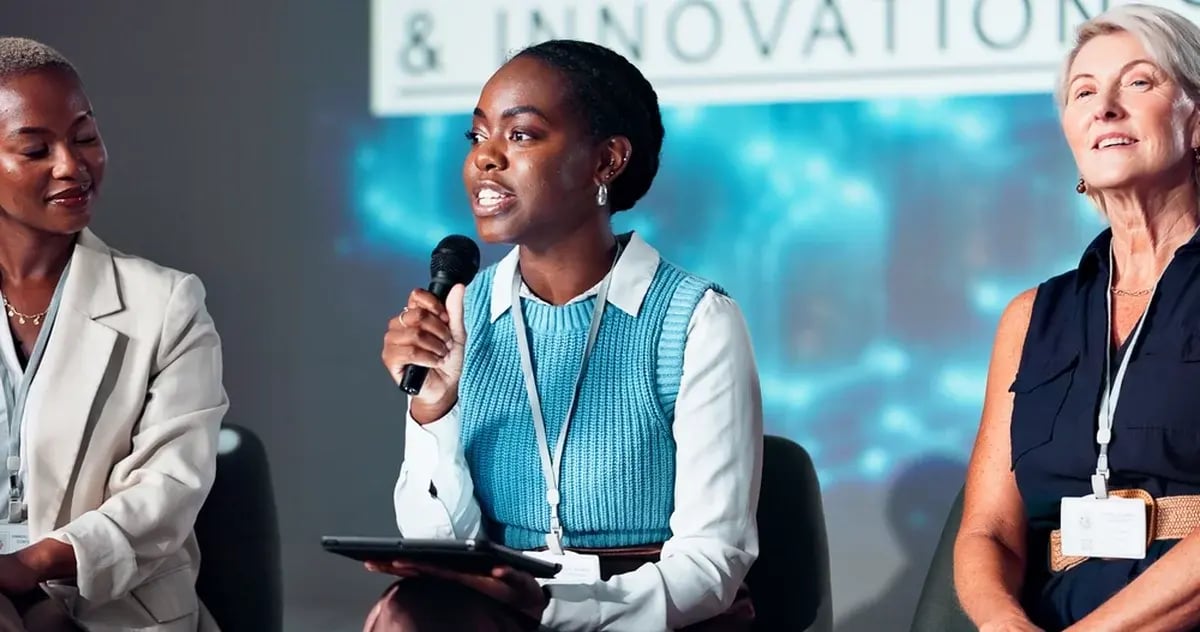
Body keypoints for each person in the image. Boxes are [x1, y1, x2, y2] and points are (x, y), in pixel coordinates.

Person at [370, 39, 763, 631]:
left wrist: (555, 609)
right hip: (503, 614)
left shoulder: (694, 319)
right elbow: (438, 545)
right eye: (477, 137)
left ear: (607, 161)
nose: (486, 159)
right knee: (409, 611)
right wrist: (435, 408)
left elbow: (712, 564)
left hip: (652, 620)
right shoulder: (465, 314)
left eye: (520, 135)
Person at [955, 5, 1200, 631]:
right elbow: (988, 531)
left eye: (1139, 82)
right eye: (1083, 92)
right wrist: (1002, 623)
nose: (1104, 107)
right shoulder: (1030, 317)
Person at [0, 38, 227, 631]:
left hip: (109, 608)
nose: (71, 165)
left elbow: (168, 488)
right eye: (35, 149)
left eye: (83, 137)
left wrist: (29, 566)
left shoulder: (167, 304)